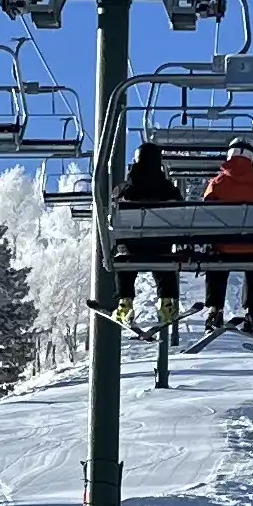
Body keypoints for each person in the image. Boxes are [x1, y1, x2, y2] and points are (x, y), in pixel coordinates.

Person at [115, 135, 186, 357]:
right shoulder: (168, 188)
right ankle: (166, 302)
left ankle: (125, 300)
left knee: (123, 261)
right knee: (164, 263)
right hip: (160, 245)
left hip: (133, 245)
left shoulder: (128, 188)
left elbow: (115, 210)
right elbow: (181, 213)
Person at [199, 139, 253, 335]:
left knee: (214, 255)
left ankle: (215, 309)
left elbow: (205, 213)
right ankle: (252, 312)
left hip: (223, 245)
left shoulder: (217, 182)